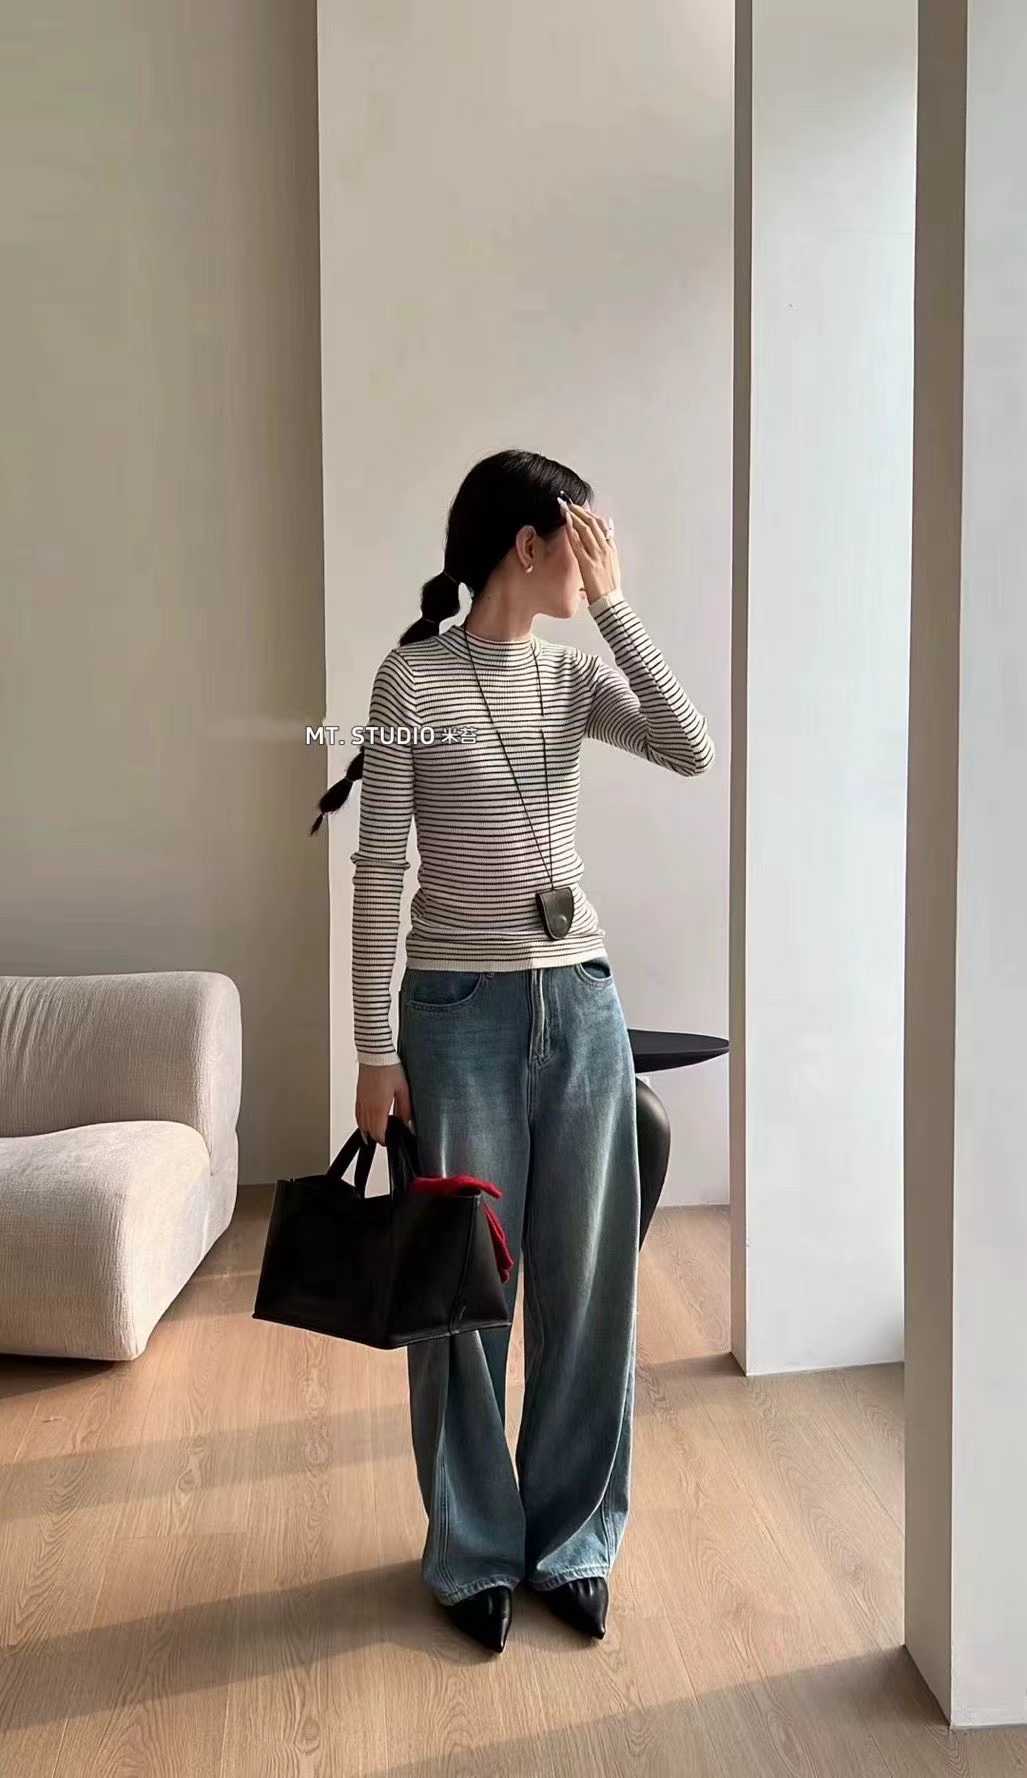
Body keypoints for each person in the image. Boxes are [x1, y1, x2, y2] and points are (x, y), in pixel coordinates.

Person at [312, 449, 715, 1653]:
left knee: (589, 1291)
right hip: (457, 1014)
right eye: (583, 544)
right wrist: (371, 1047)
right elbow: (378, 867)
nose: (594, 564)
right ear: (528, 547)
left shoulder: (574, 673)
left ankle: (573, 1539)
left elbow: (688, 745)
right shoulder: (411, 677)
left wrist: (619, 609)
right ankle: (473, 1548)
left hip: (579, 1001)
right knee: (460, 1298)